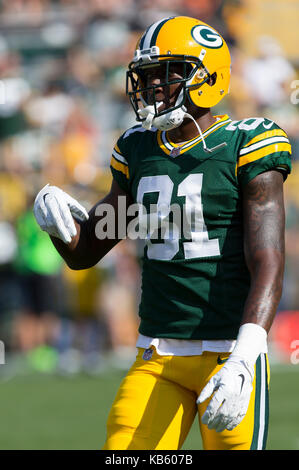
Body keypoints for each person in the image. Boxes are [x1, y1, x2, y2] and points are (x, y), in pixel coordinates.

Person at [33, 16, 292, 450]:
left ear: (206, 77)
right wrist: (59, 226)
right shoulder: (137, 148)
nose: (152, 87)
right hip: (159, 353)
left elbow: (267, 261)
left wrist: (247, 356)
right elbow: (85, 251)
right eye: (147, 76)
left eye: (165, 75)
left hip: (231, 351)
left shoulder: (247, 142)